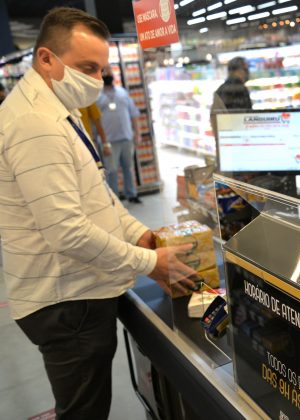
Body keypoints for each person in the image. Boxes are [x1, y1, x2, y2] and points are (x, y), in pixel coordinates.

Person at [0, 7, 197, 419]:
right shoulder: (35, 123)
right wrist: (150, 262)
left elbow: (98, 196)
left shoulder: (56, 108)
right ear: (46, 58)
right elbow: (66, 232)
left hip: (76, 294)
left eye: (101, 69)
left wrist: (140, 234)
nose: (96, 79)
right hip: (67, 301)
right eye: (87, 68)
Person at [96, 65, 143, 203]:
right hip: (109, 141)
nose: (108, 75)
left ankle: (131, 194)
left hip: (126, 137)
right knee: (111, 171)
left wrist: (137, 133)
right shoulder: (97, 97)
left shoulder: (122, 92)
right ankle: (114, 199)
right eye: (105, 72)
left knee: (128, 167)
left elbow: (133, 114)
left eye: (110, 72)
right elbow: (95, 121)